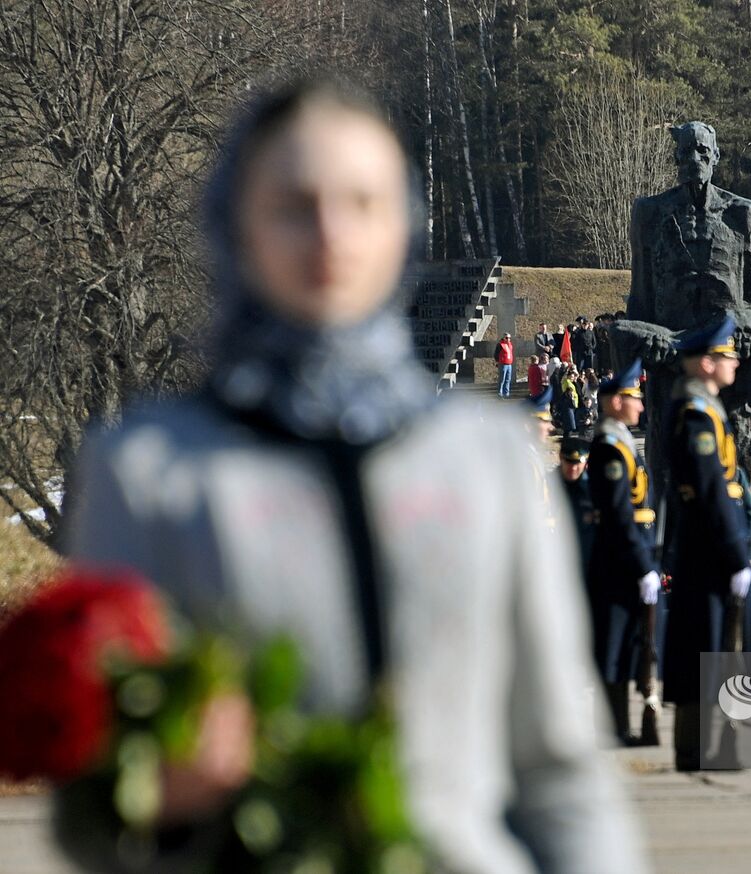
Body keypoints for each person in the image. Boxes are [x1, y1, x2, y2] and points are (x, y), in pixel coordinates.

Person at [63, 77, 643, 873]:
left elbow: (562, 770)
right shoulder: (148, 470)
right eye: (294, 206)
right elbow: (88, 807)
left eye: (363, 203)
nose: (331, 233)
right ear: (237, 223)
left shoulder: (488, 459)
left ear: (404, 224)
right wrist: (165, 808)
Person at [661, 315, 751, 771]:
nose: (736, 362)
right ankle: (699, 749)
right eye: (728, 356)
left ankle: (702, 748)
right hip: (708, 550)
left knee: (709, 650)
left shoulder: (703, 410)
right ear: (707, 363)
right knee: (709, 650)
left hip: (706, 547)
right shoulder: (697, 415)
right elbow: (711, 491)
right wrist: (737, 554)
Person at [586, 359, 661, 747]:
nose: (641, 405)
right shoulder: (610, 449)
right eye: (635, 398)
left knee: (631, 643)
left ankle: (621, 725)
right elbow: (618, 513)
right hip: (619, 560)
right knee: (613, 645)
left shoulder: (622, 444)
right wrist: (642, 564)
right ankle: (613, 727)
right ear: (615, 402)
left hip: (629, 554)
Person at [558, 437, 597, 570]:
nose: (573, 468)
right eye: (569, 462)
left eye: (577, 463)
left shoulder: (595, 488)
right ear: (560, 458)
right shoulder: (549, 485)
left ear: (586, 463)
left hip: (589, 559)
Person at [494, 331, 514, 398]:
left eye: (509, 338)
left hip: (509, 364)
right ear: (503, 338)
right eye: (506, 338)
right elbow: (496, 354)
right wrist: (497, 361)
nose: (508, 339)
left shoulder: (510, 344)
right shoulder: (500, 344)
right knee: (502, 379)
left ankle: (506, 393)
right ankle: (500, 392)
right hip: (503, 364)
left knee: (508, 379)